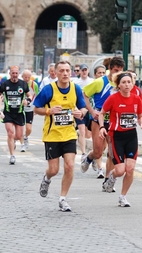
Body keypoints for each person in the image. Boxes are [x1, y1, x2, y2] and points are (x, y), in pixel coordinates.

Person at [34, 60, 87, 212]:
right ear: (56, 73)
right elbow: (36, 109)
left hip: (69, 133)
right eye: (61, 71)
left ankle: (62, 199)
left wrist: (81, 112)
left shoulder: (75, 88)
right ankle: (47, 178)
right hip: (52, 135)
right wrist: (49, 111)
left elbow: (83, 108)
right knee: (54, 170)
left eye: (67, 71)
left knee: (70, 166)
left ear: (71, 73)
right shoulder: (48, 90)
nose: (65, 73)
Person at [100, 71, 142, 207]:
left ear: (133, 84)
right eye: (124, 82)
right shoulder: (113, 98)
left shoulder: (136, 99)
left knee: (130, 169)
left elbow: (139, 116)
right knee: (120, 170)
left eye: (129, 82)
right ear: (118, 85)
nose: (127, 85)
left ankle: (123, 196)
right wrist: (102, 127)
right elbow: (102, 113)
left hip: (131, 136)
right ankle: (112, 177)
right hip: (116, 137)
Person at [81, 57, 125, 192]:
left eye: (120, 70)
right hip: (98, 120)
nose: (118, 73)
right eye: (115, 70)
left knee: (112, 153)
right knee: (98, 152)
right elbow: (85, 94)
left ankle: (107, 181)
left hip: (114, 121)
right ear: (110, 69)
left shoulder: (122, 83)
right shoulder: (101, 82)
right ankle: (89, 157)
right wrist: (91, 110)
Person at [0, 65, 31, 164]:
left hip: (19, 113)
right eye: (13, 73)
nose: (15, 75)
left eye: (16, 73)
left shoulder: (23, 84)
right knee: (10, 133)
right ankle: (12, 155)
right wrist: (0, 103)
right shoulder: (5, 84)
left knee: (19, 135)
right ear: (10, 73)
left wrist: (27, 101)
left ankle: (13, 142)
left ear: (18, 74)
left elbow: (30, 95)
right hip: (8, 112)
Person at [19, 69, 39, 152]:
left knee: (29, 128)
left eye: (28, 77)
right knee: (19, 127)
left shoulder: (34, 85)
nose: (27, 79)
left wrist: (36, 108)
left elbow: (37, 96)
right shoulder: (19, 84)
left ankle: (25, 137)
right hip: (19, 108)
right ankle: (22, 144)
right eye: (25, 77)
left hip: (30, 108)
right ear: (22, 77)